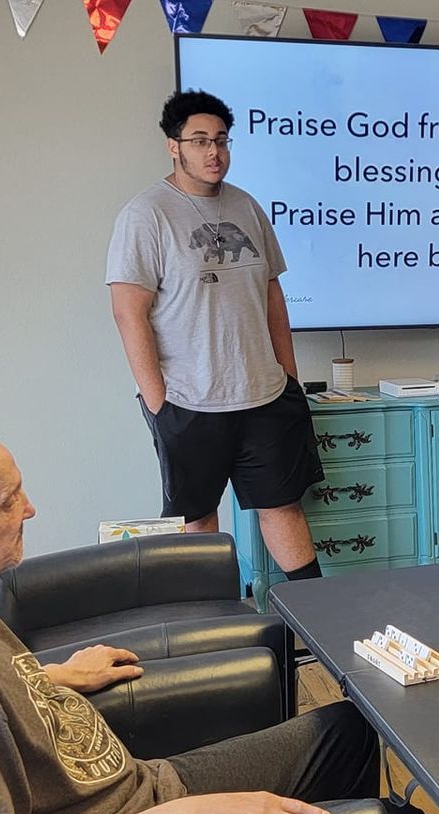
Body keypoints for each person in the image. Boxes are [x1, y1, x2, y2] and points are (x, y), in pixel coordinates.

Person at [0, 417, 434, 814]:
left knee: (350, 731)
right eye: (6, 502)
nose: (30, 509)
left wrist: (54, 677)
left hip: (136, 785)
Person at [107, 89, 326, 584]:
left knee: (282, 507)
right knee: (198, 519)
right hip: (190, 400)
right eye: (200, 141)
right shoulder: (147, 214)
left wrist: (289, 377)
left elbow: (272, 295)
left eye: (222, 141)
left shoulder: (246, 206)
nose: (214, 152)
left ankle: (320, 621)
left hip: (264, 394)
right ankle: (210, 626)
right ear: (173, 146)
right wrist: (159, 402)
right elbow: (127, 312)